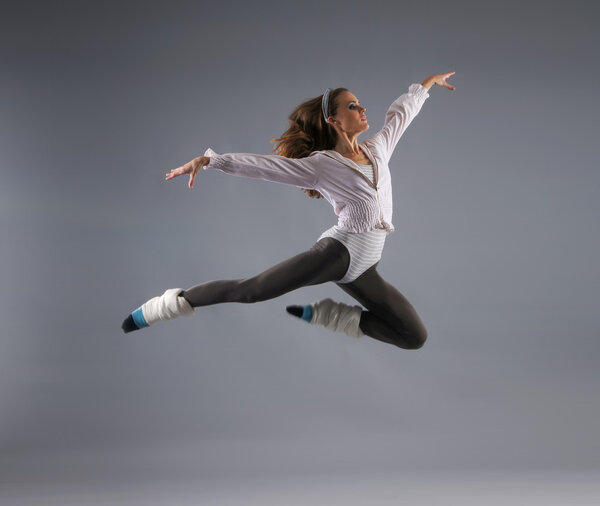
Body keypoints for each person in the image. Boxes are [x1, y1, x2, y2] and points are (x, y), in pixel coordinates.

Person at [121, 72, 456, 349]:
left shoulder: (378, 148)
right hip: (338, 254)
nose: (363, 108)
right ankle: (163, 306)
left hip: (365, 268)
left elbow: (401, 114)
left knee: (414, 336)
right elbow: (265, 167)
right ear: (334, 120)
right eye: (353, 106)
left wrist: (426, 85)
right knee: (251, 291)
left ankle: (330, 316)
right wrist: (211, 161)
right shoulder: (322, 165)